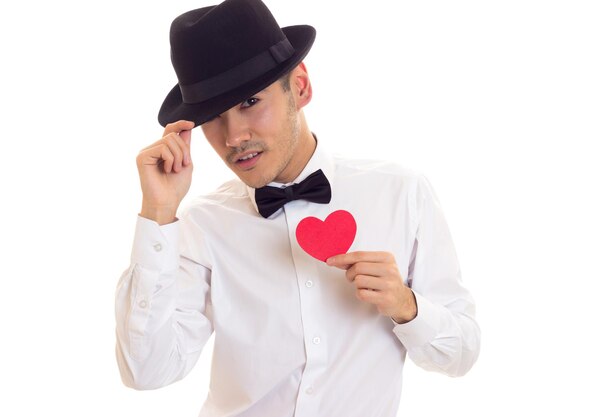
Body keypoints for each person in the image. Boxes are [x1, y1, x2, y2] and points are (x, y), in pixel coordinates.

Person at [115, 0, 481, 416]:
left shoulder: (401, 194)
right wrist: (157, 213)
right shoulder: (202, 224)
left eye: (250, 102)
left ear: (301, 87)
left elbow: (462, 353)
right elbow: (146, 372)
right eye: (213, 117)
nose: (234, 135)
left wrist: (406, 305)